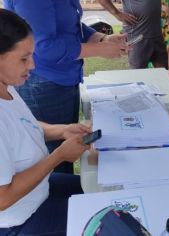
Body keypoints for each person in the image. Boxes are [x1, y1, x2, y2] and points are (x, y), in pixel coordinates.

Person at [4, 0, 130, 173]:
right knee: (54, 160)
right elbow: (45, 47)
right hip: (44, 84)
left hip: (65, 77)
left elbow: (70, 25)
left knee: (68, 143)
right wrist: (99, 50)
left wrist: (101, 39)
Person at [0, 9, 91, 235]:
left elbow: (24, 125)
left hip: (40, 190)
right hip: (21, 218)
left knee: (103, 190)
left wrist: (61, 131)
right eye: (23, 58)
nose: (32, 65)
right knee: (105, 217)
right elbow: (3, 197)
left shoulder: (7, 86)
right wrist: (58, 156)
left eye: (31, 55)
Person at [98, 0, 169, 69]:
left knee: (163, 73)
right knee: (138, 74)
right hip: (137, 36)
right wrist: (117, 14)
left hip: (157, 34)